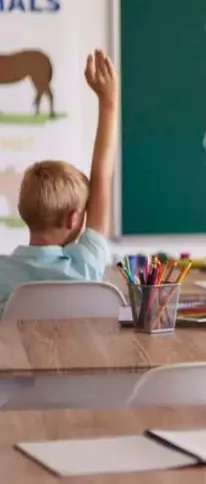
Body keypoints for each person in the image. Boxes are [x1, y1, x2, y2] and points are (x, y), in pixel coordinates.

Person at [0, 50, 118, 309]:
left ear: (22, 211)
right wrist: (108, 101)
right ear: (74, 218)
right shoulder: (85, 265)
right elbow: (102, 173)